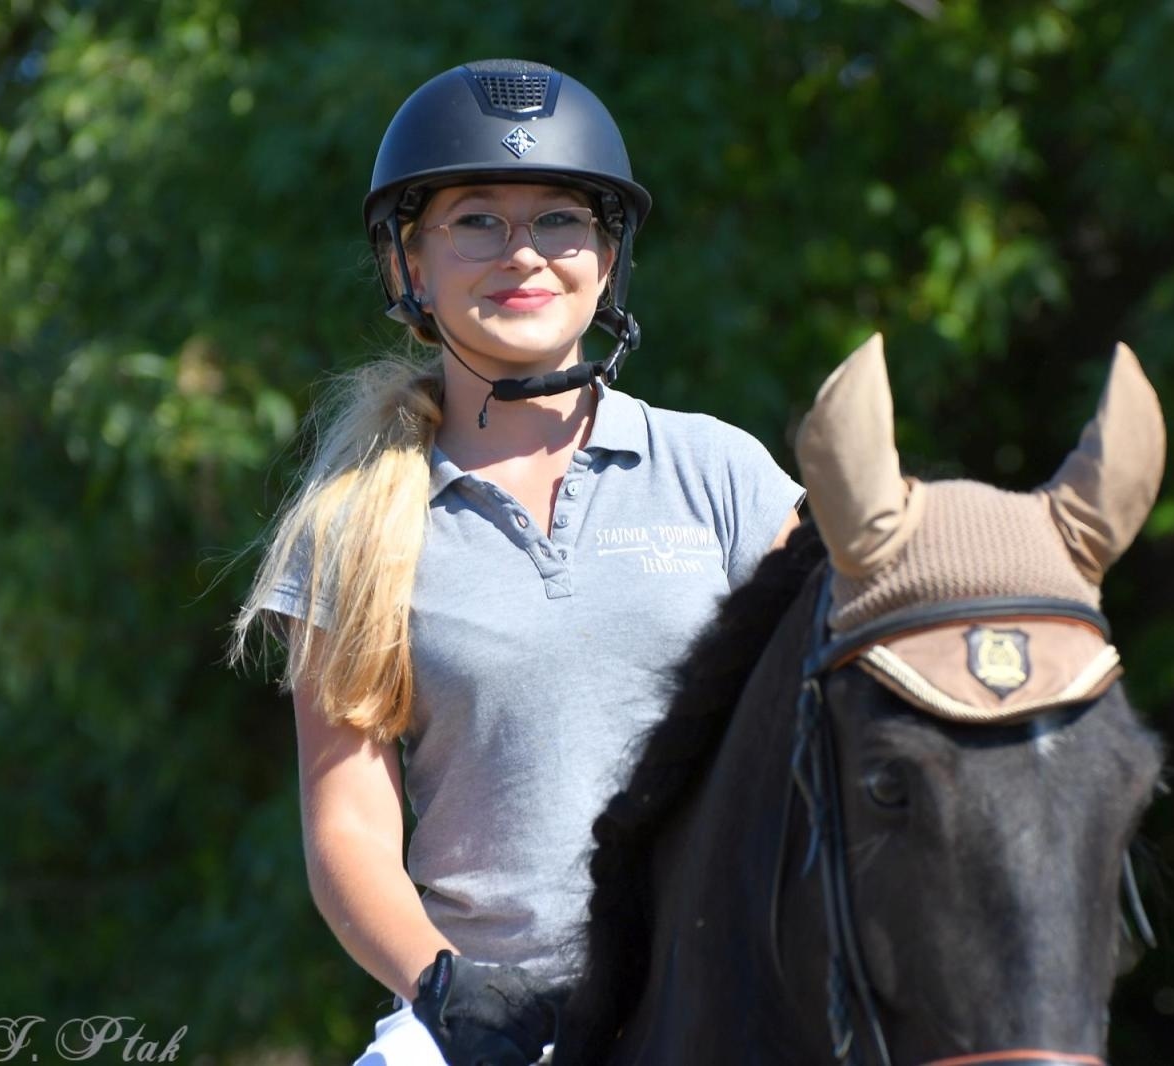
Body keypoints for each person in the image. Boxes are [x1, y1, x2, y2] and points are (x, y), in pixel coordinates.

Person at [231, 59, 802, 1066]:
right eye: (477, 221)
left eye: (560, 221)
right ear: (410, 261)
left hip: (730, 1003)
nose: (523, 254)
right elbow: (349, 830)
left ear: (607, 255)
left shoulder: (724, 474)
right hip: (486, 1026)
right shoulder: (351, 526)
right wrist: (446, 988)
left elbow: (838, 727)